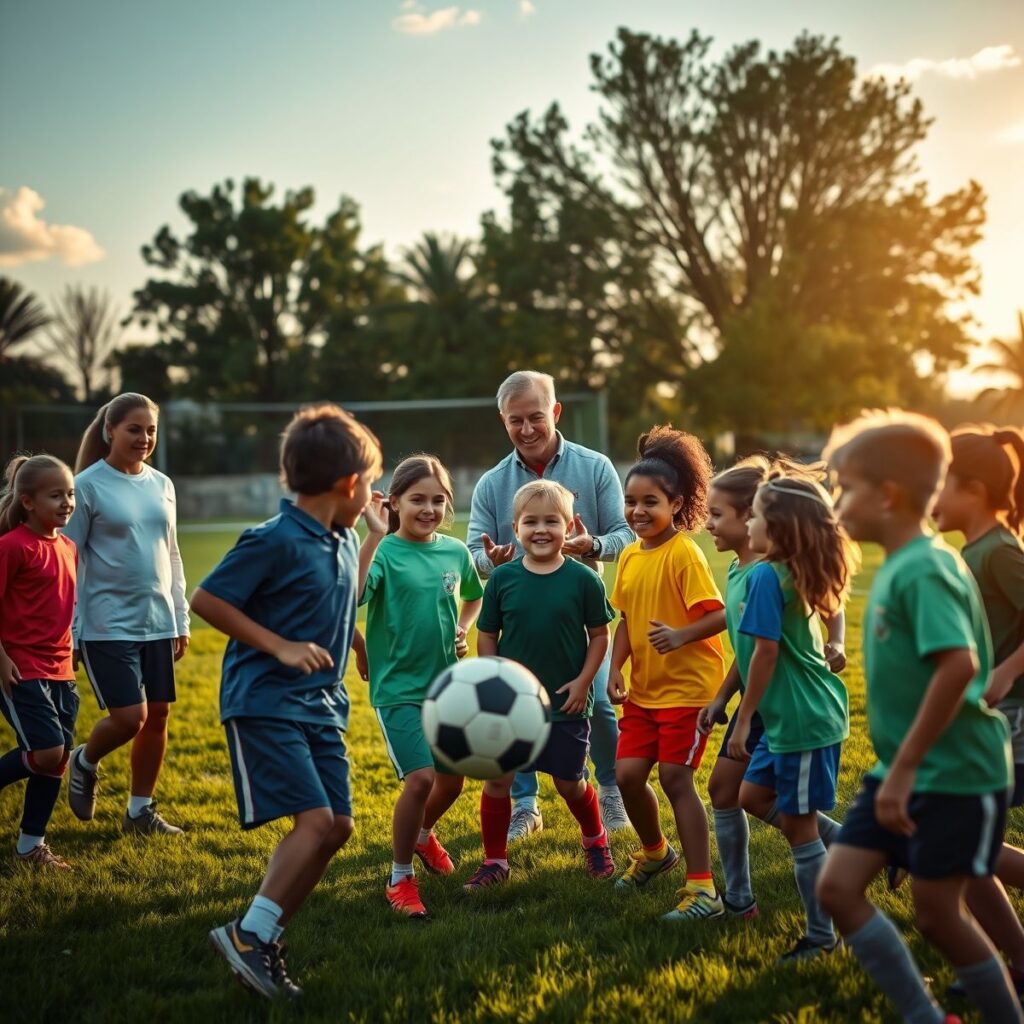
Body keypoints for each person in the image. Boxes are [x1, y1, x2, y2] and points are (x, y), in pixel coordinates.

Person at [818, 410, 1022, 1024]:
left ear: (887, 494)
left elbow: (957, 667)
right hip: (904, 768)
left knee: (937, 914)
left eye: (845, 486)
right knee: (836, 888)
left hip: (952, 771)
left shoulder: (927, 567)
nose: (836, 499)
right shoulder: (903, 561)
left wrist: (903, 769)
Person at [191, 403, 382, 1001]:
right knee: (316, 821)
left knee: (339, 827)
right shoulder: (272, 539)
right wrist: (279, 646)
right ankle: (251, 933)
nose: (373, 495)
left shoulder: (345, 536)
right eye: (371, 484)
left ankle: (261, 935)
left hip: (324, 707)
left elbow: (340, 597)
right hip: (267, 701)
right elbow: (208, 600)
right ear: (348, 483)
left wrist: (354, 638)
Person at [467, 370, 633, 840]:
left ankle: (610, 788)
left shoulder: (595, 467)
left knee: (597, 704)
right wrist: (490, 560)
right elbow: (474, 552)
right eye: (514, 420)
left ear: (555, 412)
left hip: (577, 618)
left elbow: (625, 533)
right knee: (518, 711)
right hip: (519, 623)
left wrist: (592, 545)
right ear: (503, 420)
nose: (526, 429)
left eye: (535, 417)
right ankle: (525, 803)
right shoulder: (491, 483)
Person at [699, 457, 846, 922]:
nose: (708, 524)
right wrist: (724, 698)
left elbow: (766, 653)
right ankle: (741, 901)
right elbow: (748, 653)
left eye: (717, 514)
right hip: (777, 707)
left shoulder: (766, 574)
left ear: (753, 519)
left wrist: (744, 719)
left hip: (795, 713)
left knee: (795, 825)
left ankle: (823, 931)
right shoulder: (746, 574)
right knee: (737, 793)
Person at [466, 480, 616, 890]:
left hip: (566, 701)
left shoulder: (584, 580)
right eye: (530, 521)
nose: (541, 529)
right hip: (512, 706)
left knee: (570, 782)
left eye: (552, 521)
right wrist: (493, 683)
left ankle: (596, 839)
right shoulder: (502, 579)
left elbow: (600, 635)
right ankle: (495, 860)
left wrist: (585, 682)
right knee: (499, 779)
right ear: (515, 529)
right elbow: (487, 635)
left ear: (569, 528)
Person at [608, 426, 727, 922]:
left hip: (689, 690)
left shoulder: (684, 553)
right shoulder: (631, 554)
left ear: (676, 504)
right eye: (631, 502)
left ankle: (703, 889)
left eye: (650, 502)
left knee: (678, 779)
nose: (638, 512)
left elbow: (721, 614)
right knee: (627, 775)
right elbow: (627, 620)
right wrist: (615, 667)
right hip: (644, 692)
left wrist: (681, 635)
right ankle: (656, 852)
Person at [359, 454, 483, 920]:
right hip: (399, 690)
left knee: (452, 782)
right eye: (417, 499)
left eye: (438, 500)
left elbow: (473, 596)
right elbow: (352, 597)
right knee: (422, 779)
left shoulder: (454, 551)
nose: (428, 508)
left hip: (448, 687)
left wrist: (463, 628)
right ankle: (400, 877)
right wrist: (372, 535)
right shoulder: (385, 552)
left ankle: (423, 834)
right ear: (394, 502)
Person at [63, 393, 190, 834]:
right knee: (128, 718)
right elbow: (68, 559)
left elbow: (171, 554)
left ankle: (139, 811)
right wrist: (73, 629)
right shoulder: (86, 486)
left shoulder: (163, 484)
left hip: (157, 619)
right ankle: (84, 760)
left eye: (151, 429)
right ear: (109, 430)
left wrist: (180, 617)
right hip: (105, 623)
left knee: (157, 717)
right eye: (134, 429)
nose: (144, 438)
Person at [933, 423, 1024, 995]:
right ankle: (1009, 962)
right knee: (966, 846)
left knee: (966, 843)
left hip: (1013, 716)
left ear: (972, 488)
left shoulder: (1000, 552)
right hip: (991, 716)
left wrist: (1004, 675)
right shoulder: (975, 550)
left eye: (939, 482)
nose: (931, 496)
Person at [0, 455, 78, 869]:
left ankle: (30, 847)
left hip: (61, 669)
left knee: (58, 757)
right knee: (48, 752)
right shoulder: (11, 547)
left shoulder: (68, 547)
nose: (67, 502)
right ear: (27, 502)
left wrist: (74, 649)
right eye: (56, 495)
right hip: (20, 666)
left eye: (70, 493)